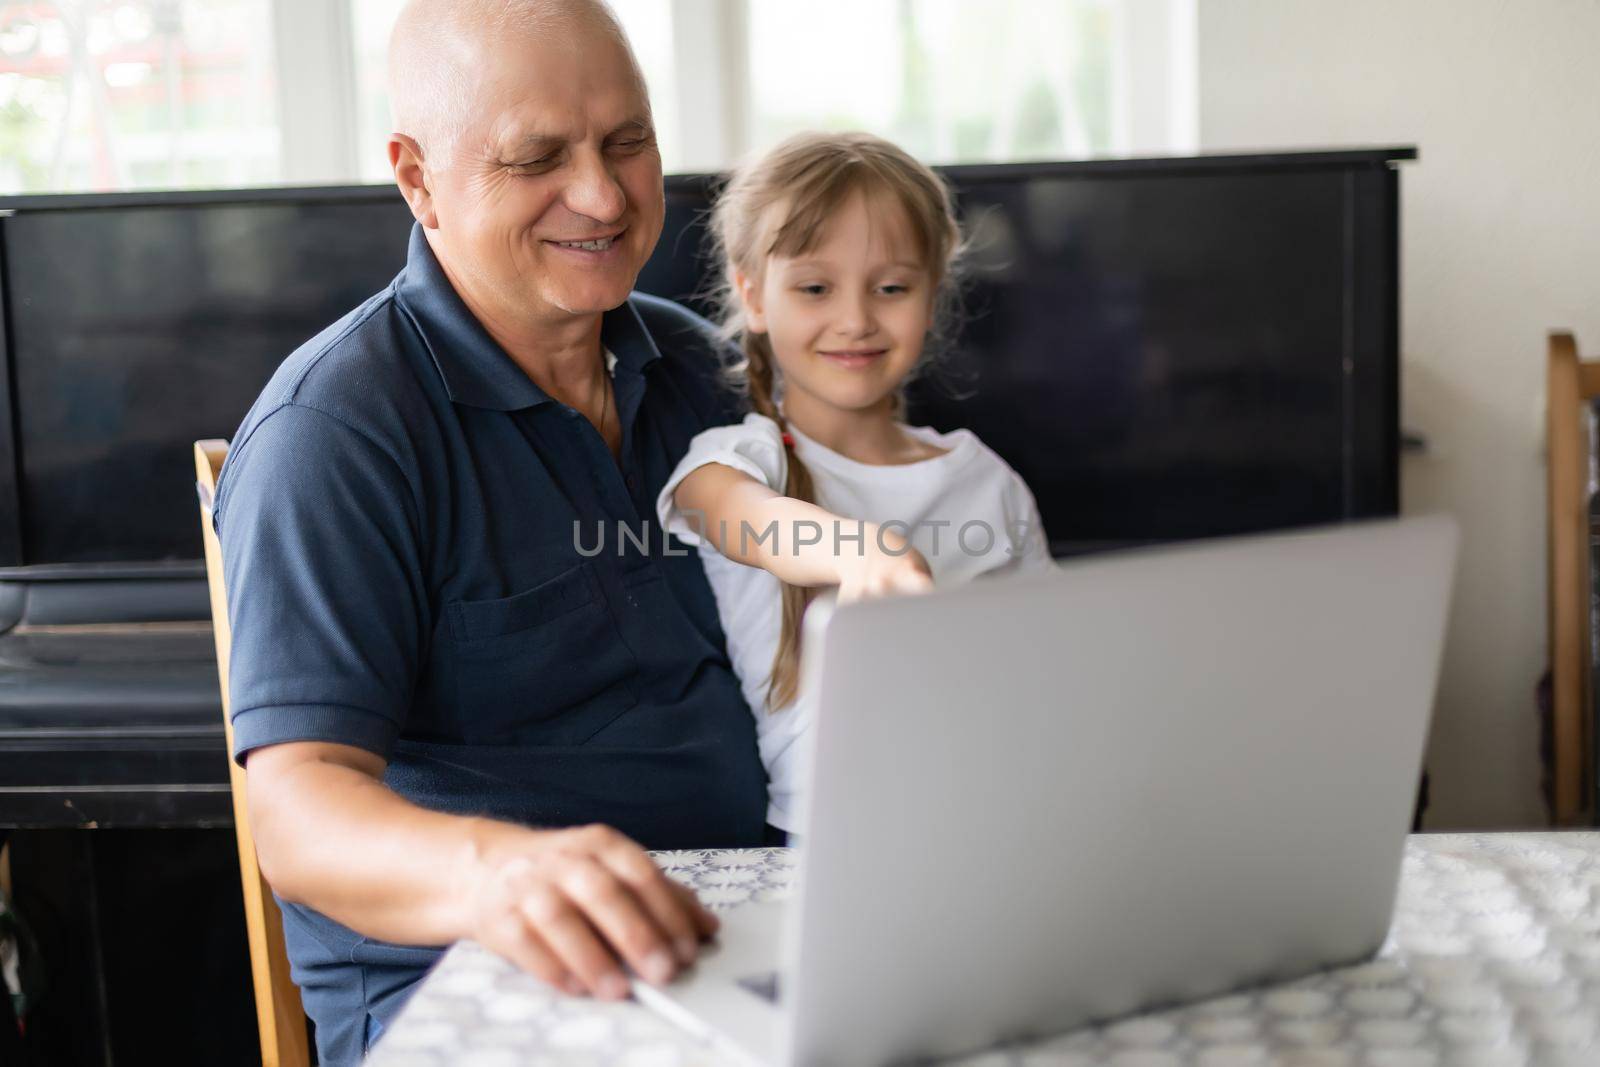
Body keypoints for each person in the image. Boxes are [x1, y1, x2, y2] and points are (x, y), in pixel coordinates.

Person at [212, 2, 769, 1062]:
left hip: (735, 946)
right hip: (468, 990)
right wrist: (497, 871)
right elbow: (295, 813)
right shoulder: (333, 431)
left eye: (628, 142)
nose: (603, 196)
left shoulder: (704, 368)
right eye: (536, 158)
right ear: (417, 179)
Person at [656, 132, 1055, 838]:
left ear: (931, 297)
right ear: (753, 295)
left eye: (892, 287)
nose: (856, 319)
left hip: (1006, 822)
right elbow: (742, 515)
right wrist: (862, 554)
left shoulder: (986, 481)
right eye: (815, 287)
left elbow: (1054, 668)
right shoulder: (739, 461)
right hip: (833, 843)